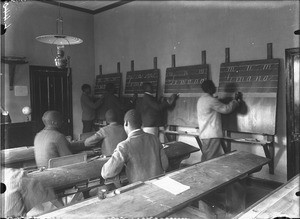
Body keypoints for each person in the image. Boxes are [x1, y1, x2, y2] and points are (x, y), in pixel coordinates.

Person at [101, 109, 169, 183]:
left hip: (139, 189)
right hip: (158, 184)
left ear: (126, 123)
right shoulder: (155, 138)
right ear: (141, 124)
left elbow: (106, 173)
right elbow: (165, 165)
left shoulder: (124, 146)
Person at [197, 79, 239, 161]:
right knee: (211, 159)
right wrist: (235, 102)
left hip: (205, 134)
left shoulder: (201, 99)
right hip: (212, 134)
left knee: (206, 157)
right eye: (213, 86)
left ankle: (204, 173)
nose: (215, 88)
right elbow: (226, 109)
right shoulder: (211, 100)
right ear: (210, 88)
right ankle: (208, 173)